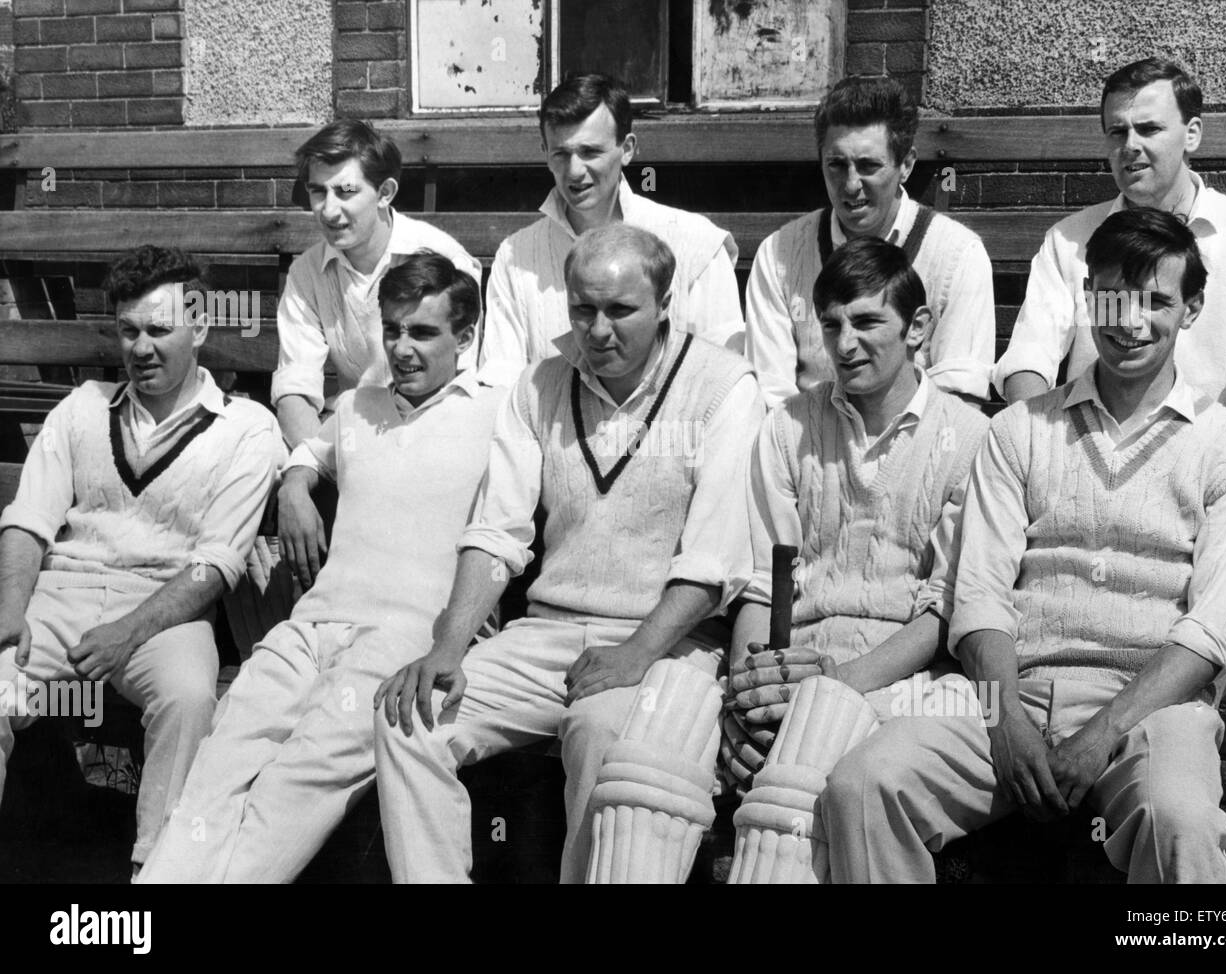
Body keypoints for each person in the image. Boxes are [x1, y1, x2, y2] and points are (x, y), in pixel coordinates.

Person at [822, 208, 1226, 884]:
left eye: (1156, 300)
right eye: (1112, 296)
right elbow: (979, 592)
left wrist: (1101, 735)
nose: (1130, 321)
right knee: (862, 784)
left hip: (1150, 706)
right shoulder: (1018, 431)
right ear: (1085, 295)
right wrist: (1003, 721)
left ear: (1192, 309)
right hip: (1012, 692)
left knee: (1179, 821)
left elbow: (1214, 631)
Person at [373, 224, 764, 883]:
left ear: (664, 304)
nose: (599, 329)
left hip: (668, 644)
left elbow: (712, 562)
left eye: (621, 310)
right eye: (583, 309)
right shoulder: (539, 385)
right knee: (410, 720)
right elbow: (497, 533)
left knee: (598, 737)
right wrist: (449, 645)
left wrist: (634, 655)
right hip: (547, 636)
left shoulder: (724, 386)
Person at [138, 252, 502, 883]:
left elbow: (511, 532)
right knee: (218, 764)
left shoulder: (499, 414)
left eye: (422, 333)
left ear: (465, 337)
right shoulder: (361, 403)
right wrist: (296, 484)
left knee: (290, 785)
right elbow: (311, 449)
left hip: (404, 639)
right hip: (311, 626)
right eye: (392, 330)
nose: (402, 349)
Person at [0, 246, 283, 873]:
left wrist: (126, 634)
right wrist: (10, 613)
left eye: (160, 330)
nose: (142, 347)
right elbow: (28, 520)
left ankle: (156, 872)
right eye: (129, 331)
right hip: (60, 598)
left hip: (167, 611)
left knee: (187, 699)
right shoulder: (82, 407)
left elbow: (216, 565)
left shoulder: (247, 428)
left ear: (201, 328)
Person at [722, 236, 988, 883]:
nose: (845, 344)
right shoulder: (788, 426)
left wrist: (832, 685)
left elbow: (940, 615)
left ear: (918, 327)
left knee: (789, 798)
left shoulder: (969, 435)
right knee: (644, 770)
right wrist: (747, 695)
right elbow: (762, 585)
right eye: (833, 325)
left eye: (868, 322)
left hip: (900, 677)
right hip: (793, 664)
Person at [995, 57, 1226, 433]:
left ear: (1192, 134)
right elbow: (1029, 358)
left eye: (1149, 129)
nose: (1130, 146)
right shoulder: (1069, 240)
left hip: (1203, 465)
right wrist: (1037, 446)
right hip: (1085, 453)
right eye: (1117, 132)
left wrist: (1222, 479)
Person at [478, 73, 745, 387]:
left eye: (590, 152)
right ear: (545, 153)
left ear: (627, 148)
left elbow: (723, 378)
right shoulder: (516, 257)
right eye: (561, 154)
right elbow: (502, 383)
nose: (575, 171)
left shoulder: (697, 245)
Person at [744, 76, 995, 405]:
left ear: (905, 164)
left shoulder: (957, 254)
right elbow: (771, 396)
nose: (850, 185)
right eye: (836, 165)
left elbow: (958, 403)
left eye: (868, 166)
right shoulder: (780, 255)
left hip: (916, 446)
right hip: (809, 445)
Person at [273, 118, 482, 448]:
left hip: (429, 434)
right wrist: (318, 465)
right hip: (342, 437)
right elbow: (294, 391)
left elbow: (458, 387)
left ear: (384, 193)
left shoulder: (446, 261)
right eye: (318, 192)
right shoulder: (307, 273)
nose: (328, 210)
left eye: (346, 191)